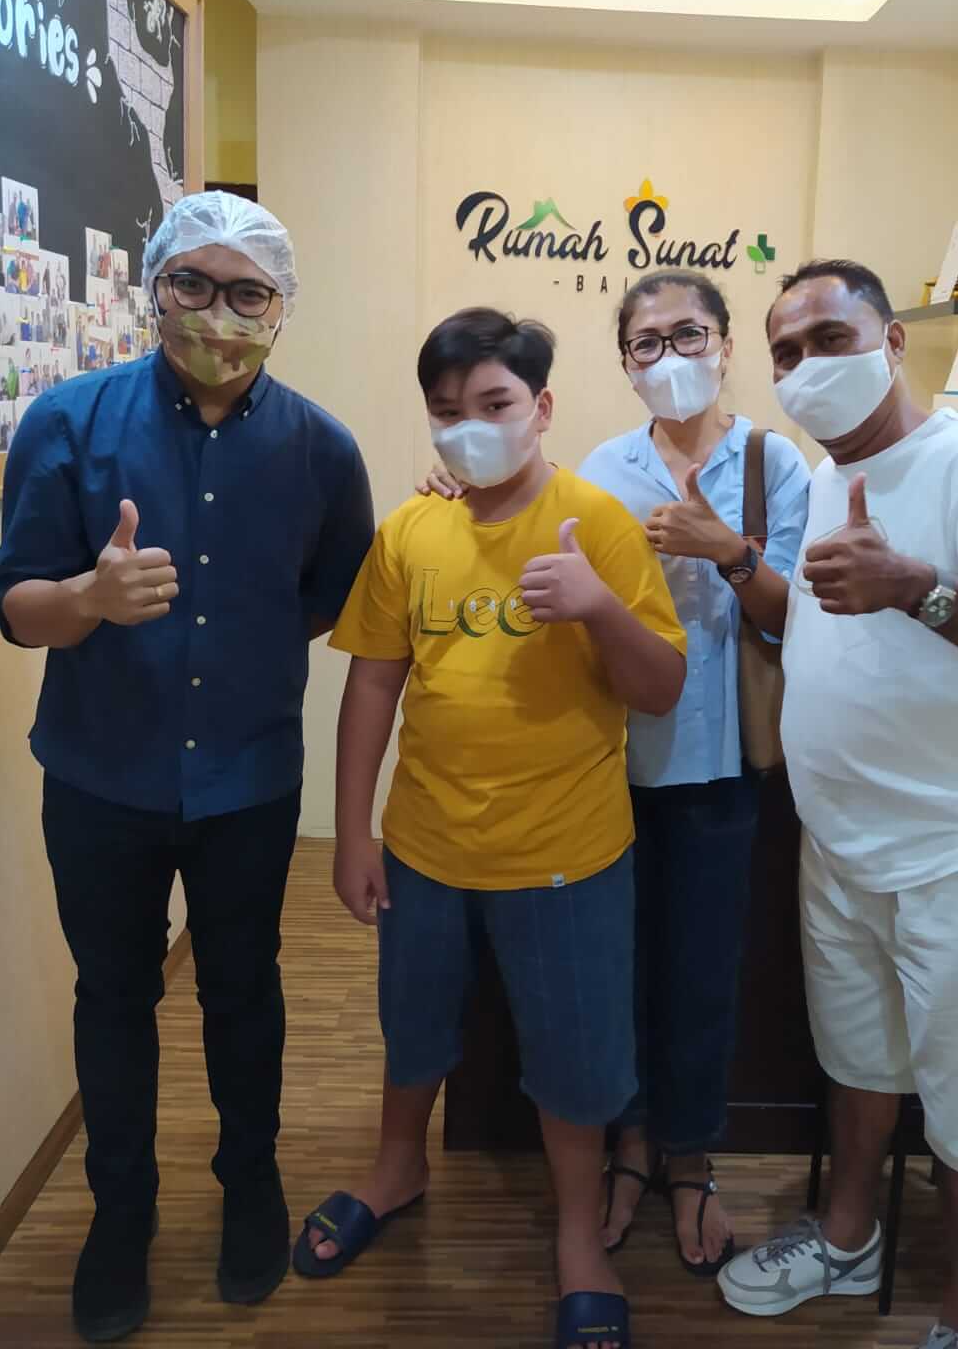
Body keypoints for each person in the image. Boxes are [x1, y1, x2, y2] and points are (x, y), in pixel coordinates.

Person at [0, 191, 374, 1345]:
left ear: (281, 305)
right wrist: (88, 597)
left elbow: (331, 597)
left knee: (243, 989)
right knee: (113, 994)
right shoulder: (66, 422)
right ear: (155, 288)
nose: (220, 312)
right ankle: (122, 1212)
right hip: (99, 777)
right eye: (193, 284)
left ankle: (249, 1180)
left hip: (248, 782)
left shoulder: (322, 449)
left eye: (247, 291)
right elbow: (16, 608)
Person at [717, 260, 958, 1349]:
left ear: (891, 342)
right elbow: (826, 626)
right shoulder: (824, 474)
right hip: (844, 842)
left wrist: (918, 587)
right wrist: (746, 569)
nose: (805, 367)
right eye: (786, 352)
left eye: (830, 339)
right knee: (860, 1059)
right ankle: (848, 1239)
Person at [296, 307, 687, 1349]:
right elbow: (372, 684)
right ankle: (397, 1168)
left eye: (494, 403)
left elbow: (661, 688)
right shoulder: (412, 529)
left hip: (568, 855)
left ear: (541, 407)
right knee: (414, 1025)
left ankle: (578, 1235)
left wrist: (599, 605)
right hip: (425, 847)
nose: (469, 427)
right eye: (446, 411)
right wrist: (352, 833)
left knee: (576, 1057)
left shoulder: (598, 523)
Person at [419, 272, 810, 1275]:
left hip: (722, 770)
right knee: (614, 978)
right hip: (607, 770)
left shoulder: (773, 465)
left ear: (725, 344)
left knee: (701, 977)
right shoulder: (603, 468)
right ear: (626, 364)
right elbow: (517, 531)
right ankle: (628, 1146)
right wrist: (455, 487)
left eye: (689, 335)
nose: (669, 358)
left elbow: (800, 623)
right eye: (646, 343)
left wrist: (730, 553)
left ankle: (691, 1157)